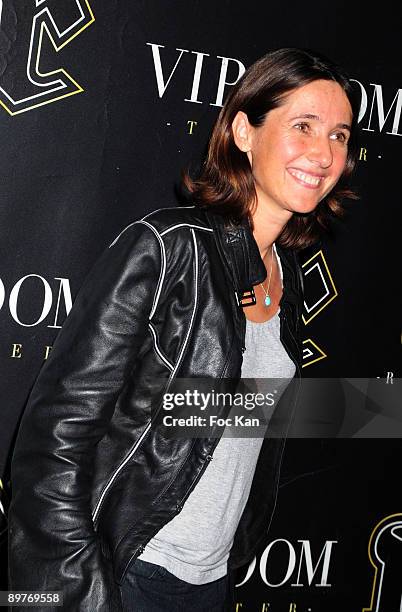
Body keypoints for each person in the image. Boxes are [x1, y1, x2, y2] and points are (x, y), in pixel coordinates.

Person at [8, 47, 359, 611]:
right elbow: (52, 442)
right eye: (303, 126)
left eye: (339, 136)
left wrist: (377, 410)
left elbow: (225, 410)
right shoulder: (168, 249)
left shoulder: (285, 274)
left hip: (212, 579)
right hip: (129, 570)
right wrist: (81, 591)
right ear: (244, 131)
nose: (323, 153)